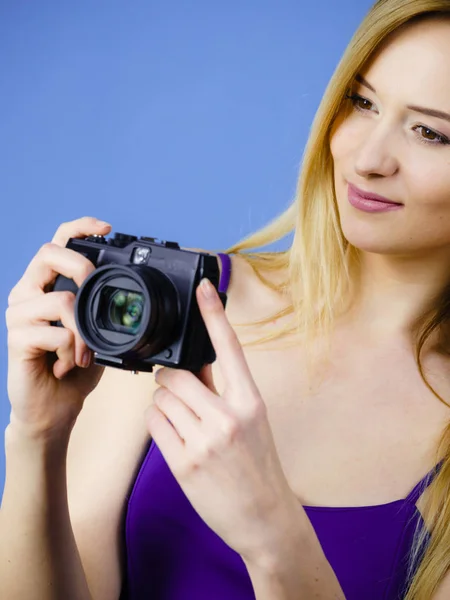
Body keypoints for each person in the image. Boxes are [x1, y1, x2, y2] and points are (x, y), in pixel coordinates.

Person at [2, 1, 450, 598]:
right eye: (361, 102)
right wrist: (36, 437)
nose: (368, 160)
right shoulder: (181, 302)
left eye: (430, 132)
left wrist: (272, 533)